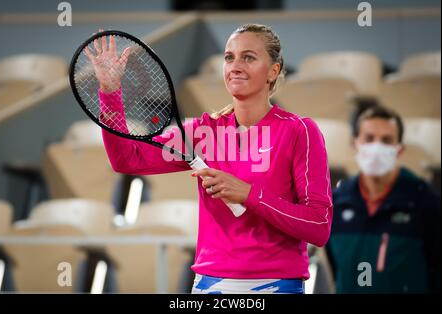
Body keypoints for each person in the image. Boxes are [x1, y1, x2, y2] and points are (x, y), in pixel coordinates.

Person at [87, 24, 333, 294]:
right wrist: (110, 92)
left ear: (273, 71)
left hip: (277, 284)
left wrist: (249, 194)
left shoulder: (300, 131)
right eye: (229, 57)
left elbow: (319, 226)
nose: (235, 66)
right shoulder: (204, 133)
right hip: (209, 284)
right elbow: (127, 160)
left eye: (248, 57)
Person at [326, 101, 441, 293]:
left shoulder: (425, 203)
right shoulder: (335, 203)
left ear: (400, 149)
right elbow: (332, 270)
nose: (376, 147)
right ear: (355, 144)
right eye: (369, 138)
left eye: (386, 140)